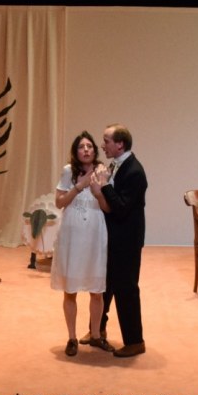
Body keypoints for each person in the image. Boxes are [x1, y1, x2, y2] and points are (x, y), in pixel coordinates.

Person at [50, 131, 110, 356]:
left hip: (95, 232)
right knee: (70, 290)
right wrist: (80, 186)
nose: (86, 150)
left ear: (95, 150)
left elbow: (107, 208)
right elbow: (59, 203)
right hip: (72, 233)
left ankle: (95, 335)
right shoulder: (68, 171)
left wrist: (98, 191)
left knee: (97, 290)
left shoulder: (103, 171)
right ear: (75, 152)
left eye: (89, 146)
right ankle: (72, 337)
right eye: (81, 147)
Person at [93, 123, 147, 357]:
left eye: (106, 141)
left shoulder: (135, 172)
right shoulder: (116, 165)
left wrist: (104, 185)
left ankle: (135, 341)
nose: (102, 145)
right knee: (105, 285)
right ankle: (97, 330)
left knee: (126, 290)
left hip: (127, 241)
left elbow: (122, 208)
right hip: (113, 237)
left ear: (120, 144)